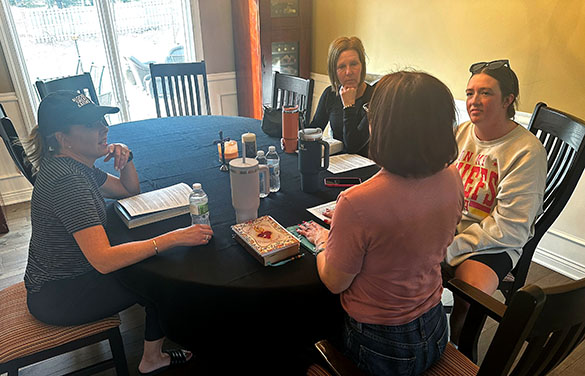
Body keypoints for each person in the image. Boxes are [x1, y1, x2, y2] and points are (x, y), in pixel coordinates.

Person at [23, 91, 214, 375]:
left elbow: (127, 191)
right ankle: (153, 358)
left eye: (101, 120)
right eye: (89, 125)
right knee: (161, 278)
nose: (103, 128)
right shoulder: (68, 182)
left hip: (59, 279)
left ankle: (156, 346)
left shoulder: (73, 166)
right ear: (62, 138)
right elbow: (103, 260)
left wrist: (128, 157)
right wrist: (174, 237)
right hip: (60, 294)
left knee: (151, 259)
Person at [298, 71, 464, 376]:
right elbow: (422, 230)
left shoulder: (357, 202)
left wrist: (325, 241)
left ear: (383, 126)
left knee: (294, 340)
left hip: (380, 349)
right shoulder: (453, 178)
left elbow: (335, 283)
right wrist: (355, 229)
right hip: (437, 330)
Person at [445, 60, 547, 344]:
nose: (474, 101)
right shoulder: (462, 132)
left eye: (486, 93)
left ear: (508, 100)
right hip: (452, 225)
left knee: (467, 292)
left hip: (495, 242)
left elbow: (511, 228)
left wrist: (450, 247)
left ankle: (457, 351)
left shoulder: (526, 151)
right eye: (469, 93)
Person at [309, 36, 374, 157]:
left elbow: (353, 146)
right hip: (336, 163)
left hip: (365, 166)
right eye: (342, 67)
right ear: (334, 71)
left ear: (362, 66)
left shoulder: (374, 97)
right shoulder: (330, 94)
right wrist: (296, 139)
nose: (349, 72)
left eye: (354, 64)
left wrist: (349, 106)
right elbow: (315, 129)